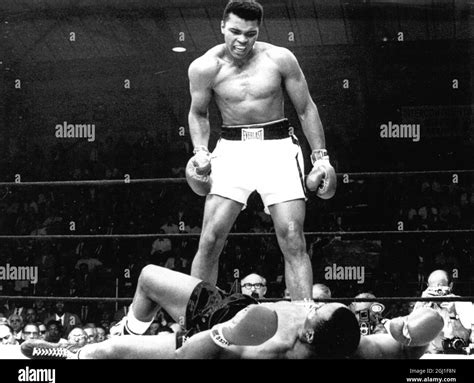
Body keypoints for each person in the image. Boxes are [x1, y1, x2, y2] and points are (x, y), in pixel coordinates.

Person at [185, 0, 336, 301]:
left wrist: (321, 158)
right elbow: (198, 113)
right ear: (222, 27)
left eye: (250, 34)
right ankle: (196, 322)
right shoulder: (204, 67)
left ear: (258, 31)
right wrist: (200, 150)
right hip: (231, 150)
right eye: (236, 32)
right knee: (211, 238)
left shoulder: (280, 58)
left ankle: (301, 319)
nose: (242, 40)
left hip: (277, 149)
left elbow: (305, 108)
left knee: (293, 236)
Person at [22, 265, 443, 360]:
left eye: (315, 310)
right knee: (149, 277)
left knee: (109, 355)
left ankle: (74, 355)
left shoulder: (272, 348)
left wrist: (226, 333)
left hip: (221, 332)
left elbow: (188, 357)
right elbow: (427, 332)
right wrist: (412, 326)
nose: (310, 303)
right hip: (236, 309)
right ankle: (117, 333)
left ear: (309, 336)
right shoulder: (357, 344)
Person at [413, 269, 473, 354]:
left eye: (441, 287)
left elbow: (466, 337)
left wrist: (453, 314)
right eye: (433, 287)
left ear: (450, 286)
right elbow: (411, 335)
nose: (437, 291)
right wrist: (421, 303)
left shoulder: (463, 304)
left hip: (456, 355)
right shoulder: (422, 304)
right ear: (427, 286)